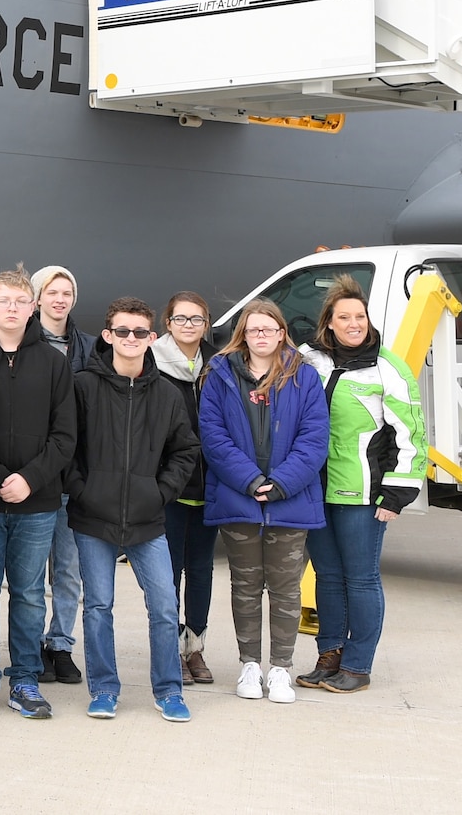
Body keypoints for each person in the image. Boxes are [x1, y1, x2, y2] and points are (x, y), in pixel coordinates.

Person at [65, 298, 199, 723]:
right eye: (122, 331)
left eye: (140, 332)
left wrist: (158, 494)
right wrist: (82, 491)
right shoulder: (83, 386)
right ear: (108, 336)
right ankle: (104, 689)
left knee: (163, 607)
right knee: (98, 605)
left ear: (152, 338)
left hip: (147, 520)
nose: (131, 339)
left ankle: (169, 690)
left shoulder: (165, 394)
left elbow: (185, 449)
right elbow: (65, 445)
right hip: (92, 518)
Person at [0, 266, 73, 721]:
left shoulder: (54, 363)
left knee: (28, 594)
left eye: (21, 302)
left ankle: (24, 680)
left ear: (33, 308)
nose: (12, 309)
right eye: (3, 300)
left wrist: (30, 479)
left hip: (37, 503)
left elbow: (65, 436)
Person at [297, 277, 424, 693]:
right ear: (328, 323)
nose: (354, 324)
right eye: (344, 317)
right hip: (313, 490)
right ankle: (329, 656)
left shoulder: (388, 366)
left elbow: (411, 435)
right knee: (328, 576)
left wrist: (398, 493)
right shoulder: (307, 359)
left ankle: (358, 664)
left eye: (361, 316)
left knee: (362, 578)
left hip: (363, 494)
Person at [201, 300, 330, 705]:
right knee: (245, 586)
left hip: (289, 502)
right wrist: (251, 479)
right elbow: (213, 436)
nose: (261, 336)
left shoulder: (304, 377)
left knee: (287, 590)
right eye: (253, 329)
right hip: (238, 498)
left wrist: (279, 484)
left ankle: (280, 669)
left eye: (268, 329)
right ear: (243, 333)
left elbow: (314, 439)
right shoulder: (219, 375)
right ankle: (249, 665)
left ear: (281, 333)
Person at [31, 263, 93, 686]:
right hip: (36, 477)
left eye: (66, 293)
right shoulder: (24, 344)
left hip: (74, 477)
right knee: (31, 572)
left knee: (68, 570)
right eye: (51, 292)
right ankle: (31, 644)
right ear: (37, 299)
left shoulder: (90, 348)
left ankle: (61, 645)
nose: (59, 299)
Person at [154, 291, 218, 684]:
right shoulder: (153, 362)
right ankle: (171, 648)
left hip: (210, 484)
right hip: (169, 487)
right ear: (168, 323)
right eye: (181, 319)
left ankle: (196, 648)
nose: (189, 326)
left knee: (202, 570)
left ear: (206, 323)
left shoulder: (222, 363)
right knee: (168, 572)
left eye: (196, 319)